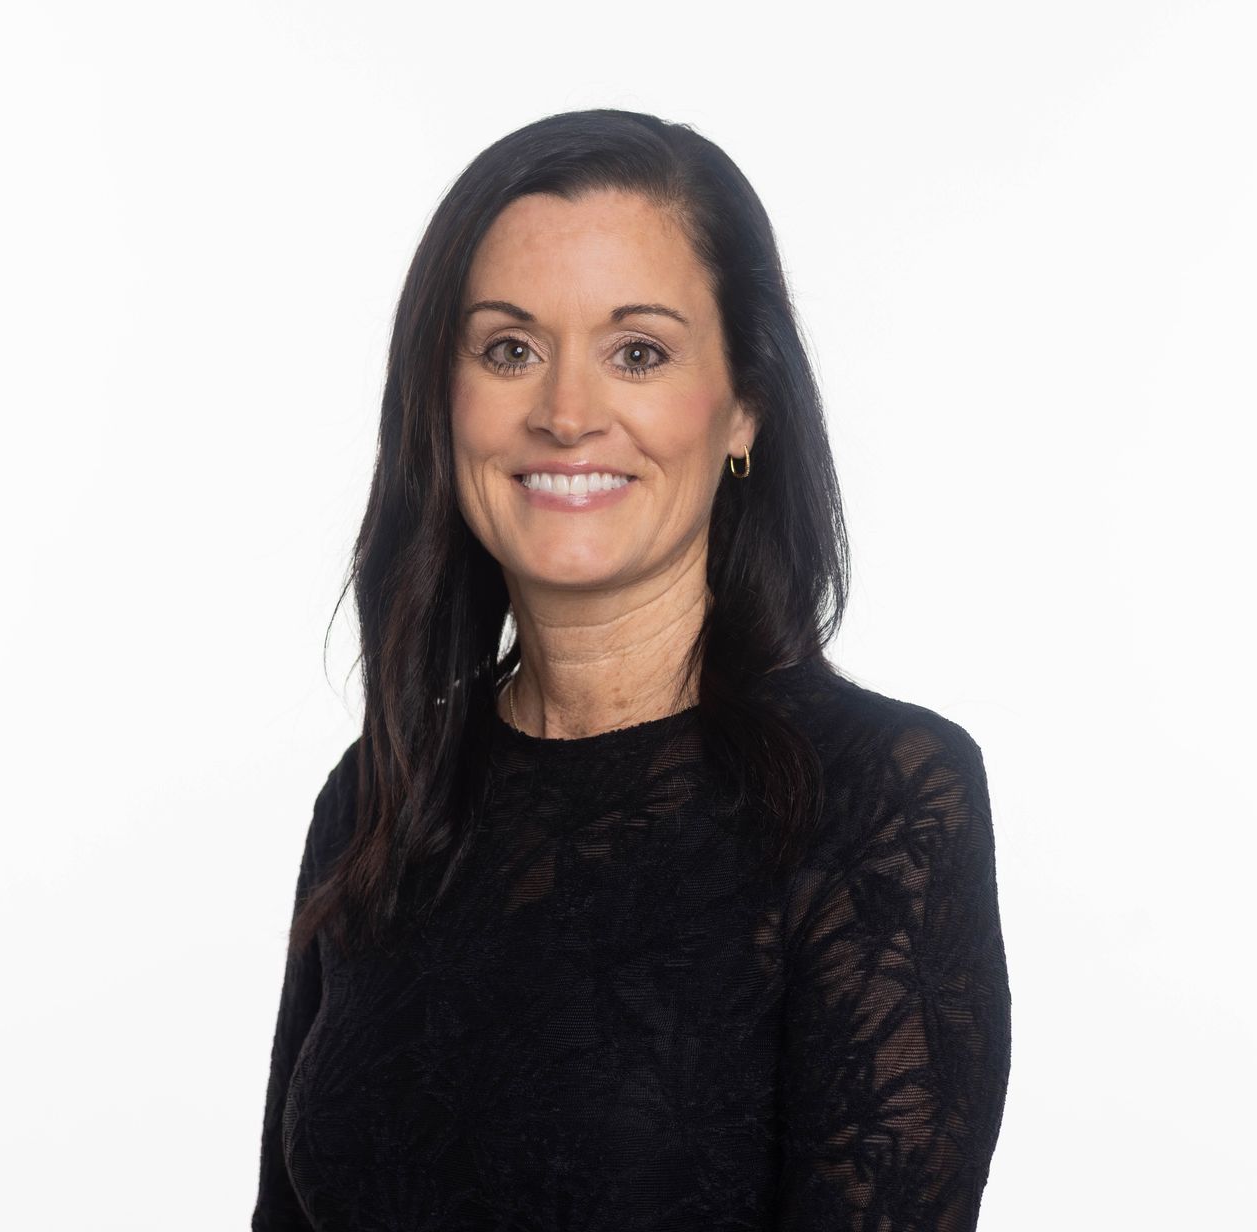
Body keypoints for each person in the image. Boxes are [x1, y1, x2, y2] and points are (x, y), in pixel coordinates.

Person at [251, 108, 1012, 1230]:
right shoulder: (382, 795)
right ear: (442, 400)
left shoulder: (878, 797)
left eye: (638, 351)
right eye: (509, 348)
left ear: (745, 407)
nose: (565, 412)